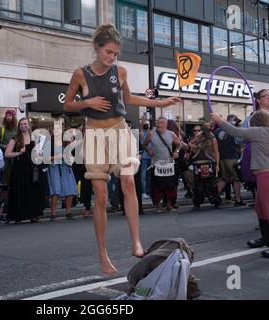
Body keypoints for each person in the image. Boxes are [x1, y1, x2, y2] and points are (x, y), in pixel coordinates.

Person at [63, 24, 181, 274]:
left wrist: (160, 103)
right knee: (101, 195)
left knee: (128, 181)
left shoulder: (121, 71)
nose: (112, 57)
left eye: (115, 53)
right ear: (97, 48)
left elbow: (129, 99)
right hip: (94, 133)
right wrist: (88, 102)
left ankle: (136, 242)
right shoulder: (80, 74)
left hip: (119, 129)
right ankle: (102, 253)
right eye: (108, 52)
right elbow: (68, 104)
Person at [211, 110, 269, 259]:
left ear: (256, 121)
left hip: (267, 176)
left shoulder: (259, 131)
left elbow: (234, 131)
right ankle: (267, 239)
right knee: (260, 207)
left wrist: (218, 120)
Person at [5, 118, 44, 223]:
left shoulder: (34, 138)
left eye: (25, 124)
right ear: (19, 126)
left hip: (31, 168)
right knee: (20, 191)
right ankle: (19, 216)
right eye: (21, 124)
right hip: (19, 169)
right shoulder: (15, 138)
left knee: (32, 191)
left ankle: (33, 215)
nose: (23, 125)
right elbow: (7, 154)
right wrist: (18, 153)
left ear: (29, 125)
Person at [44, 124, 78, 221]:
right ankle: (53, 213)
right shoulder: (49, 143)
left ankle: (68, 212)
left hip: (66, 167)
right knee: (56, 191)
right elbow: (45, 159)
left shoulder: (66, 141)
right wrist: (56, 157)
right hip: (55, 168)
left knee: (70, 190)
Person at [149, 117, 182, 212]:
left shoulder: (171, 134)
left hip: (168, 163)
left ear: (166, 124)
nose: (159, 124)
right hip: (156, 163)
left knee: (170, 185)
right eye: (158, 122)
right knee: (156, 185)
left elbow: (179, 144)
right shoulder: (151, 133)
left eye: (162, 123)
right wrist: (149, 150)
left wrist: (177, 151)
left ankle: (168, 204)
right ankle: (158, 205)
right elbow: (145, 144)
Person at [214, 114, 245, 206]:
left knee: (224, 179)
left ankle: (215, 197)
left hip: (222, 158)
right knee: (236, 179)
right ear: (232, 121)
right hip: (232, 157)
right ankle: (238, 200)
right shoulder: (232, 130)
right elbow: (239, 142)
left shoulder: (218, 130)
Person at [188, 121, 221, 209]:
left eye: (208, 126)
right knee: (198, 184)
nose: (206, 128)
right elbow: (190, 143)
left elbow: (216, 152)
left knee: (211, 184)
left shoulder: (212, 137)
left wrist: (217, 165)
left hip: (209, 162)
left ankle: (215, 201)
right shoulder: (198, 136)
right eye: (205, 126)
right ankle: (198, 202)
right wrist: (196, 147)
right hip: (198, 162)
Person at [0, 110, 18, 212]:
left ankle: (16, 203)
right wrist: (4, 146)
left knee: (16, 182)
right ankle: (6, 205)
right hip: (5, 161)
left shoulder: (17, 130)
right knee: (5, 184)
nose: (8, 117)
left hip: (16, 159)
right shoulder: (1, 129)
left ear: (14, 117)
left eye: (10, 116)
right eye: (7, 115)